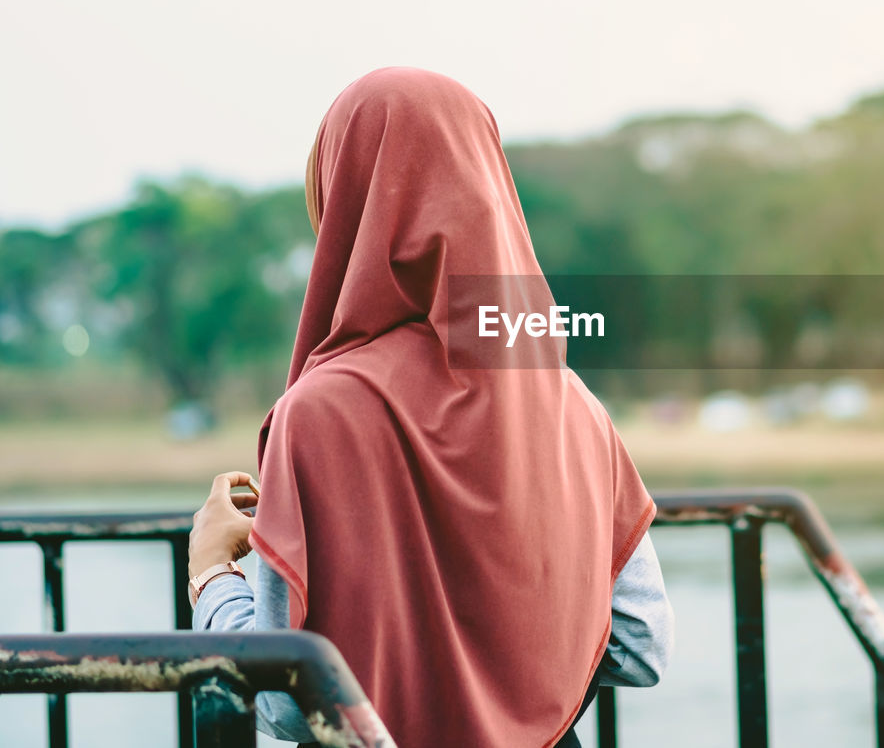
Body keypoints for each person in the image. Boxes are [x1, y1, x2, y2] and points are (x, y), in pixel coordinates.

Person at [186, 68, 674, 747]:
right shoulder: (571, 403)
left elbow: (290, 703)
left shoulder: (318, 415)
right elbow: (640, 645)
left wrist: (213, 574)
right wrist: (513, 691)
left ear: (344, 204)